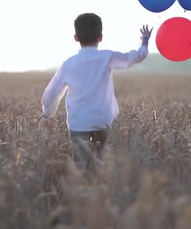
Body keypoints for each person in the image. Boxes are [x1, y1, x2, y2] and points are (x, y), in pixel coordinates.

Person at [40, 13, 153, 170]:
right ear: (100, 37)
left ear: (76, 37)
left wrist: (48, 113)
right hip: (102, 119)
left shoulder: (68, 64)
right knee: (101, 162)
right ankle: (100, 188)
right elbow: (134, 57)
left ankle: (82, 189)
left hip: (78, 121)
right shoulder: (107, 57)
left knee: (80, 165)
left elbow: (52, 93)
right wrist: (145, 42)